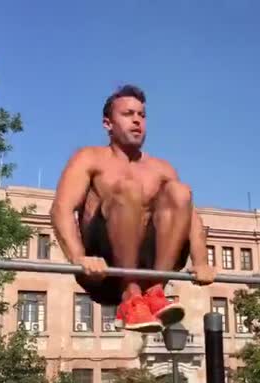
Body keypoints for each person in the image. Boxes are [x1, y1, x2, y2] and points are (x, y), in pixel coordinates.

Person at [51, 85, 216, 333]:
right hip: (105, 270)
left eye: (142, 115)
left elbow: (190, 217)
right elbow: (61, 209)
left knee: (180, 192)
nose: (137, 120)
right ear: (108, 124)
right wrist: (78, 257)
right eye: (128, 114)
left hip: (149, 266)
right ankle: (130, 294)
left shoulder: (161, 168)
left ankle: (154, 290)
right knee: (128, 188)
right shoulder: (89, 157)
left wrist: (201, 261)